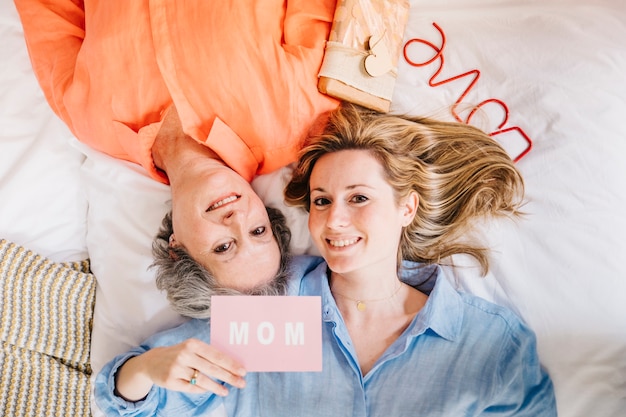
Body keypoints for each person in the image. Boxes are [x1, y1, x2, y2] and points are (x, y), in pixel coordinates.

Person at [94, 103, 557, 416]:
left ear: (406, 208)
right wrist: (147, 369)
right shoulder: (279, 316)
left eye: (358, 198)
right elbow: (128, 397)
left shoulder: (490, 342)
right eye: (320, 201)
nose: (334, 220)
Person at [13, 0, 339, 291]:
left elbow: (48, 9)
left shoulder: (90, 122)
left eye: (223, 247)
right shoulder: (296, 115)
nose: (236, 219)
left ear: (176, 247)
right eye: (257, 231)